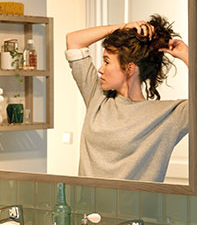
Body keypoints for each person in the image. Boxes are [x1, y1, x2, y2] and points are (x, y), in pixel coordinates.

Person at [65, 14, 189, 182]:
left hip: (139, 208)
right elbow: (74, 40)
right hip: (87, 207)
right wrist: (122, 27)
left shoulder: (169, 116)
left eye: (107, 62)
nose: (100, 69)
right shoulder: (97, 97)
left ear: (129, 68)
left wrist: (187, 55)